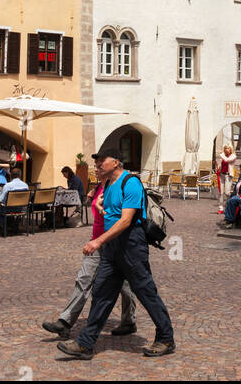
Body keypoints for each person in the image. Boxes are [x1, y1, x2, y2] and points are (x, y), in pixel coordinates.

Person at [56, 146, 175, 361]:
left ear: (117, 162)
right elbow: (113, 213)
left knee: (145, 292)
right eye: (97, 161)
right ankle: (85, 344)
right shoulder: (109, 184)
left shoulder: (131, 183)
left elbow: (126, 220)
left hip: (131, 246)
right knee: (101, 293)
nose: (97, 164)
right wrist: (101, 208)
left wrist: (97, 241)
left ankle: (166, 338)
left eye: (102, 160)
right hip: (112, 249)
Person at [42, 168, 136, 339]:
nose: (96, 170)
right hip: (96, 242)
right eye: (96, 167)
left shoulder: (119, 186)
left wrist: (101, 208)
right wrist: (93, 199)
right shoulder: (100, 187)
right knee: (83, 279)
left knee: (125, 285)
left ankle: (129, 320)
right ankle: (65, 322)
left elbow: (121, 217)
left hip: (115, 242)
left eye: (100, 167)